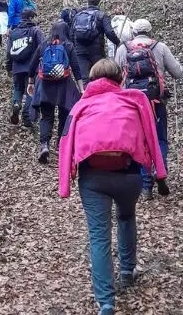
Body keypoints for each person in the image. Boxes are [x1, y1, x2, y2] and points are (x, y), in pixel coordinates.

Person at [58, 58, 166, 315]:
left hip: (92, 178)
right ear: (121, 78)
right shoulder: (136, 99)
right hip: (129, 175)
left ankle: (106, 302)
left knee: (99, 236)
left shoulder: (81, 105)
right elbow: (152, 134)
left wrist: (65, 185)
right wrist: (159, 175)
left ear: (93, 80)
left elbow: (65, 141)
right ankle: (127, 271)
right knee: (127, 217)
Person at [113, 19, 180, 198]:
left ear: (133, 32)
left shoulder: (123, 49)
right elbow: (178, 72)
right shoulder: (160, 47)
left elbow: (114, 73)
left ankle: (146, 185)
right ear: (150, 31)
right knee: (159, 139)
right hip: (155, 101)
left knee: (140, 142)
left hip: (132, 104)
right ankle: (161, 171)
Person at [30, 19, 83, 163]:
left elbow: (32, 65)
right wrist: (81, 88)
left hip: (45, 86)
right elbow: (77, 69)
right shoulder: (69, 46)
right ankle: (61, 145)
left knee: (46, 117)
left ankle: (44, 145)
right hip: (64, 87)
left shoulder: (44, 45)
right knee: (64, 116)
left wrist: (30, 82)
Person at [7, 7, 44, 127]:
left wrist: (9, 67)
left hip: (16, 67)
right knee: (30, 90)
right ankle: (27, 116)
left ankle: (16, 104)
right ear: (31, 17)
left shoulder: (13, 32)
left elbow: (8, 52)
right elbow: (42, 48)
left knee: (18, 89)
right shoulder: (35, 30)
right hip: (31, 68)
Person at [71, 0, 122, 83]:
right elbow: (109, 32)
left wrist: (76, 47)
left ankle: (86, 94)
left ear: (88, 2)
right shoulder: (101, 15)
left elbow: (72, 33)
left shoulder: (78, 15)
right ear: (99, 3)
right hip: (96, 50)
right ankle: (100, 94)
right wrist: (118, 43)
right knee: (99, 75)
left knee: (85, 78)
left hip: (80, 50)